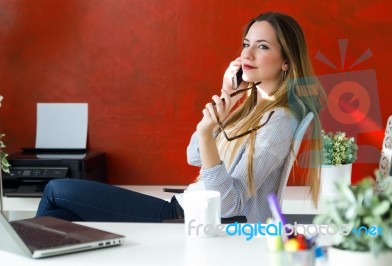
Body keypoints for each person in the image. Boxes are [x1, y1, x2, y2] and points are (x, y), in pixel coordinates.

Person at [36, 11, 325, 224]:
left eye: (262, 46)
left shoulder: (278, 121)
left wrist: (206, 131)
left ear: (286, 61)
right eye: (246, 43)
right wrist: (227, 95)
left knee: (55, 190)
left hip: (187, 218)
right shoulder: (252, 105)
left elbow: (227, 205)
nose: (247, 54)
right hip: (184, 209)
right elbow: (195, 156)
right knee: (59, 216)